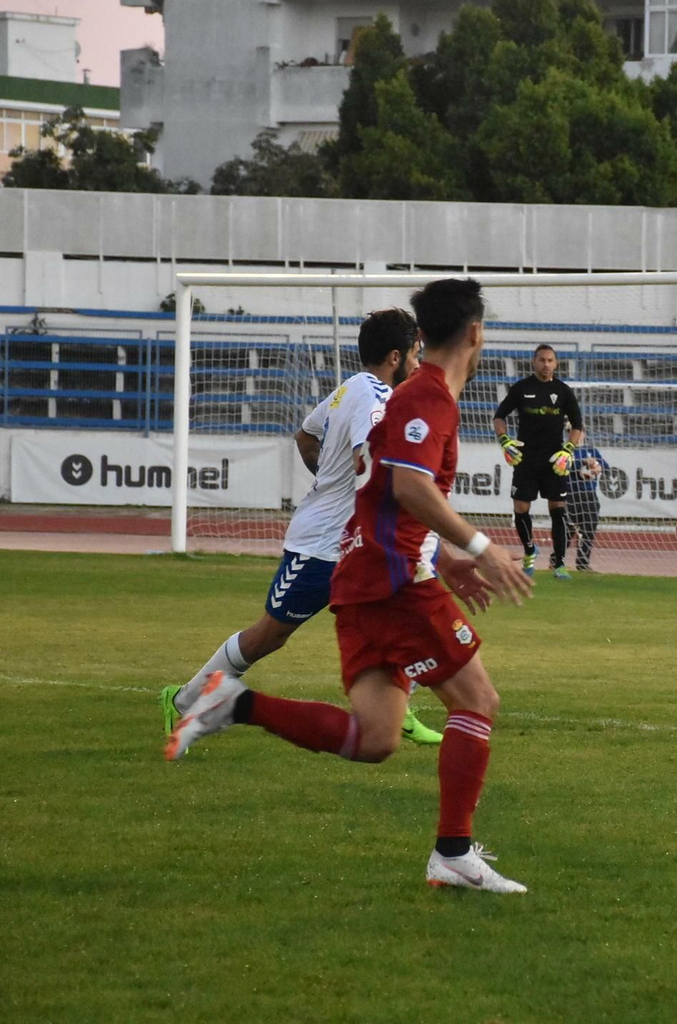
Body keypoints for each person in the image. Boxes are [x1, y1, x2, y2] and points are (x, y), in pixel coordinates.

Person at [166, 278, 536, 894]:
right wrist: (479, 548)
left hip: (365, 574)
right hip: (391, 581)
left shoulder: (415, 396)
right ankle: (451, 852)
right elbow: (408, 490)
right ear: (476, 333)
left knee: (375, 739)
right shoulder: (427, 399)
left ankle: (230, 702)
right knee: (477, 701)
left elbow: (381, 495)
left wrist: (444, 560)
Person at [157, 308, 467, 746]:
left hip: (361, 543)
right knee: (270, 634)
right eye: (416, 354)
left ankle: (399, 709)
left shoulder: (352, 389)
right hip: (323, 545)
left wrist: (330, 480)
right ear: (396, 356)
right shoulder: (374, 397)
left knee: (404, 611)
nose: (420, 364)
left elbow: (307, 435)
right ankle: (185, 701)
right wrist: (340, 490)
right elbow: (372, 467)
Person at [492, 344, 583, 580]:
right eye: (542, 360)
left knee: (558, 509)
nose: (546, 364)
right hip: (526, 459)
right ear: (534, 362)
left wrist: (569, 450)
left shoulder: (563, 391)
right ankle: (530, 549)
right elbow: (499, 416)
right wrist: (504, 440)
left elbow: (578, 426)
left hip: (554, 460)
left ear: (556, 363)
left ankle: (560, 563)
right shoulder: (522, 388)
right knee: (521, 508)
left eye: (550, 360)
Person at [563, 443, 605, 571]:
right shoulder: (566, 450)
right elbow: (562, 466)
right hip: (571, 495)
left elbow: (605, 467)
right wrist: (581, 463)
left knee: (588, 530)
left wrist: (597, 466)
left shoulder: (591, 450)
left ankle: (583, 563)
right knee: (568, 529)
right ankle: (556, 560)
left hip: (590, 496)